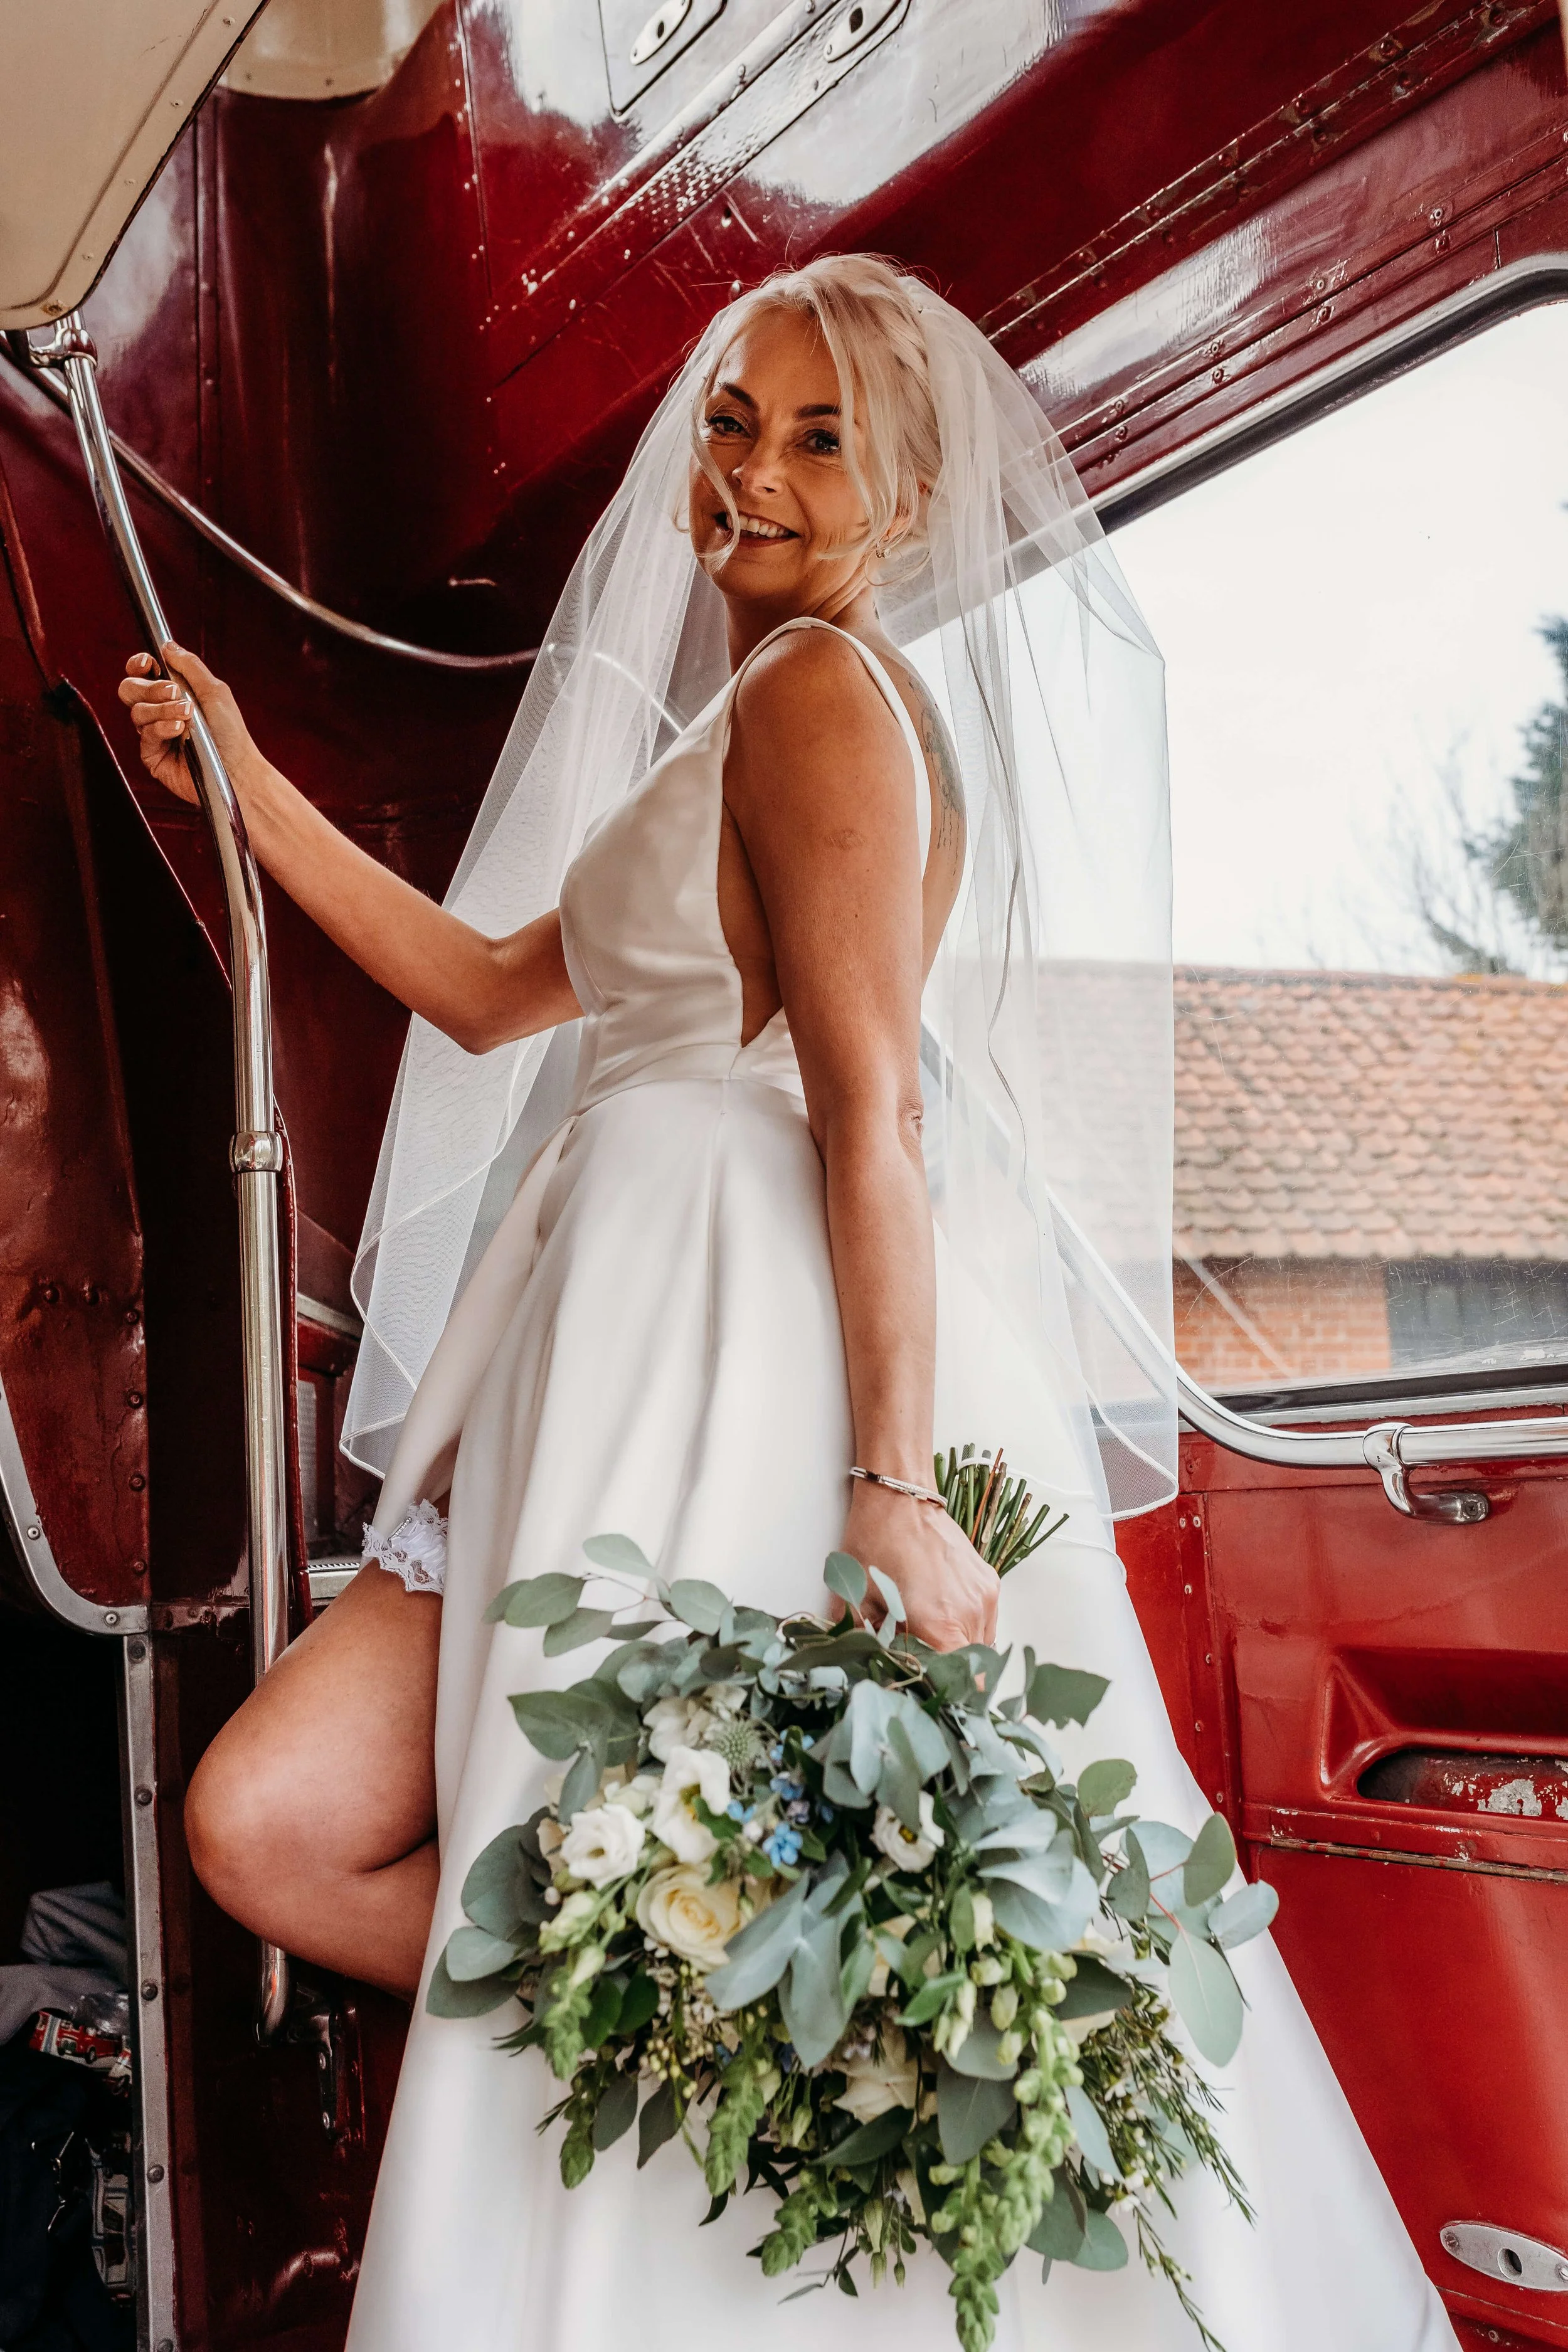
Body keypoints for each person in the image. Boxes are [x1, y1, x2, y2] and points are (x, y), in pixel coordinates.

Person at [120, 257, 1454, 2351]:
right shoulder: (734, 725)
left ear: (908, 497)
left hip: (740, 1358)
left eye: (818, 436)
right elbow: (484, 994)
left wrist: (890, 1479)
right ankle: (721, 2036)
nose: (750, 467)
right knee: (272, 1822)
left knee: (710, 1837)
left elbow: (872, 1110)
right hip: (601, 1345)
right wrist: (243, 779)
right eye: (734, 419)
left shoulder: (828, 701)